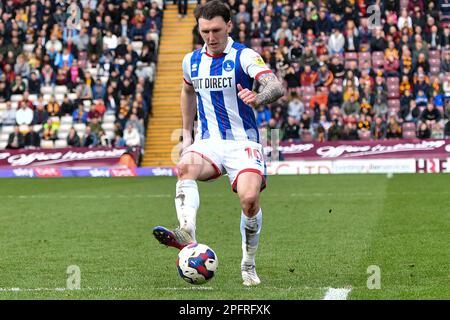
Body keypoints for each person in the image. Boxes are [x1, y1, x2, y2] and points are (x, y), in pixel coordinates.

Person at [152, 0, 284, 287]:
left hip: (243, 143)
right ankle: (187, 232)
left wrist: (258, 97)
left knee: (249, 201)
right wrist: (187, 134)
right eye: (204, 31)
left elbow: (276, 85)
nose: (210, 38)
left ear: (229, 26)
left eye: (216, 30)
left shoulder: (244, 56)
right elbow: (187, 92)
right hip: (209, 141)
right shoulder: (191, 60)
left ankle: (248, 264)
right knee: (185, 166)